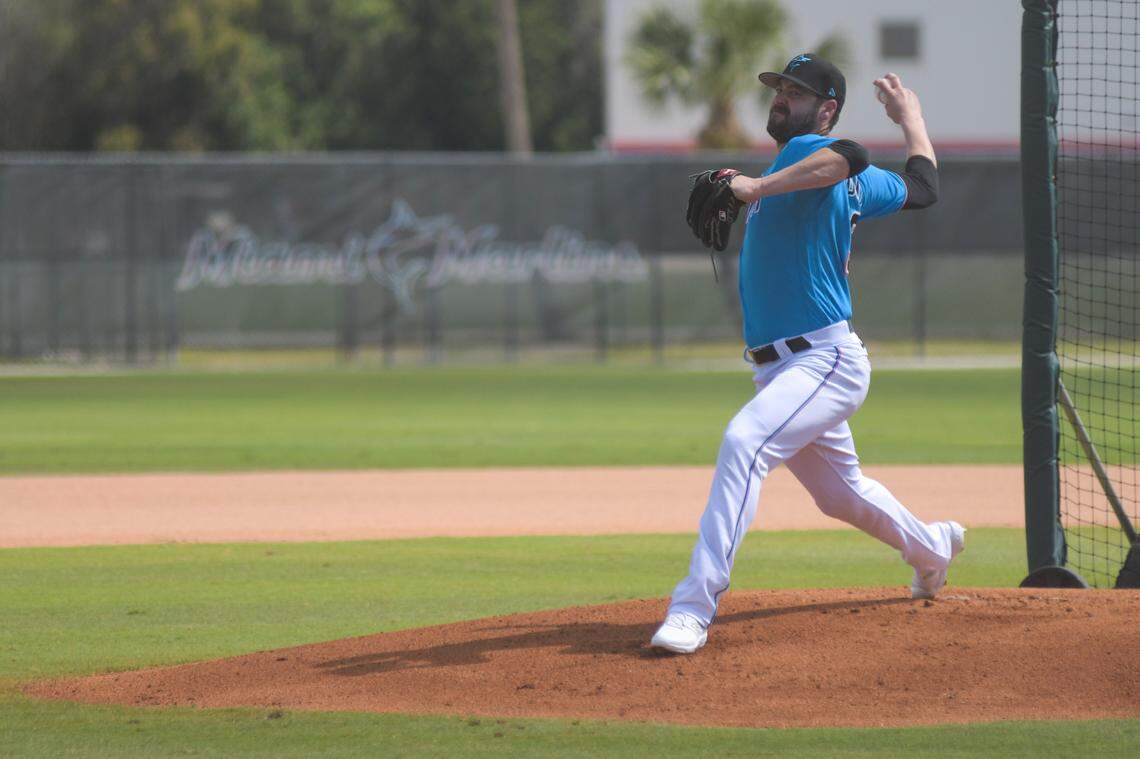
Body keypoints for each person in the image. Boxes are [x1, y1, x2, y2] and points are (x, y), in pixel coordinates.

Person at [651, 54, 964, 654]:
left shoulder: (810, 158)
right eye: (777, 88)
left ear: (825, 109)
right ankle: (932, 547)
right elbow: (923, 188)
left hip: (824, 361)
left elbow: (851, 154)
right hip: (783, 369)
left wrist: (756, 186)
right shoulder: (804, 169)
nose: (780, 98)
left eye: (795, 92)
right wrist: (913, 121)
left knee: (744, 444)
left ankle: (693, 606)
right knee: (840, 494)